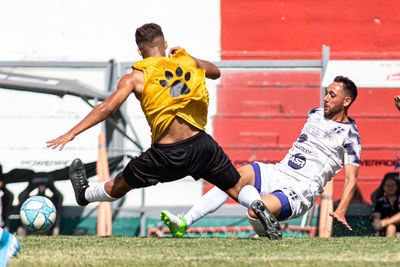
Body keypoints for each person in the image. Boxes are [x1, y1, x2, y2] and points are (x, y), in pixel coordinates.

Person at [46, 23, 270, 234]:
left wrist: (72, 132)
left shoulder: (136, 77)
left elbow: (107, 108)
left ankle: (84, 195)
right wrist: (189, 57)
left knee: (121, 183)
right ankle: (258, 205)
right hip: (202, 146)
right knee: (236, 187)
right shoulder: (187, 63)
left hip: (166, 156)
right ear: (165, 45)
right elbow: (215, 72)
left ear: (139, 51)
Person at [161, 76, 361, 239]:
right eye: (326, 93)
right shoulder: (315, 113)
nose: (325, 98)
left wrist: (341, 209)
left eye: (332, 95)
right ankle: (184, 222)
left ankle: (266, 230)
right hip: (279, 171)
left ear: (346, 101)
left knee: (254, 212)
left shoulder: (350, 136)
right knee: (232, 177)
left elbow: (351, 179)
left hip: (300, 190)